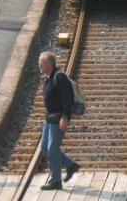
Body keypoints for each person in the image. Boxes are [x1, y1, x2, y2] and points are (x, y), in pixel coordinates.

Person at [38, 51, 81, 190]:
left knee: (52, 149)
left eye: (41, 64)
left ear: (50, 64)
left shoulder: (59, 77)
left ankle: (56, 181)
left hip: (58, 119)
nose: (40, 66)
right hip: (50, 118)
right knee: (45, 147)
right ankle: (70, 165)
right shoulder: (49, 76)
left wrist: (65, 117)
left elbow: (67, 99)